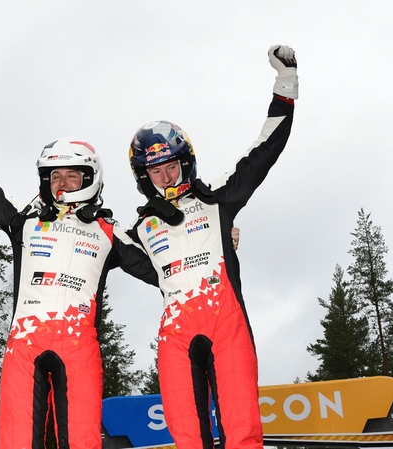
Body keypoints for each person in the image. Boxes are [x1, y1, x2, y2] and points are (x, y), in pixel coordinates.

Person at [0, 89, 161, 449]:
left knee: (82, 441)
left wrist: (217, 244)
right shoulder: (23, 222)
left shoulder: (109, 232)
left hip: (79, 347)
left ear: (90, 179)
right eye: (55, 175)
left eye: (73, 175)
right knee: (16, 440)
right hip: (24, 346)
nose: (63, 183)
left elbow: (166, 271)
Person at [125, 44, 299, 449]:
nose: (167, 176)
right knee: (188, 439)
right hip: (176, 338)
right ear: (143, 176)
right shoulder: (139, 227)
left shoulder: (217, 199)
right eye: (156, 170)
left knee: (242, 434)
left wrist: (286, 82)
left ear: (187, 162)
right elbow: (91, 250)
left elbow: (262, 153)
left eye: (172, 165)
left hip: (227, 328)